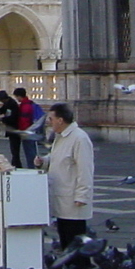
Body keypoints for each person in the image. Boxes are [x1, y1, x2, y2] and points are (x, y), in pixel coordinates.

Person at [38, 102, 94, 248]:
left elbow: (85, 168)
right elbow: (57, 158)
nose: (49, 122)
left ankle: (80, 268)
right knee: (65, 237)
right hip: (61, 196)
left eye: (51, 119)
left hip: (72, 198)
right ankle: (71, 267)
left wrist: (82, 195)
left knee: (74, 238)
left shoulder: (79, 138)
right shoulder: (61, 136)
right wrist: (43, 162)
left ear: (60, 120)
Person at [10, 87, 41, 168]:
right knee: (32, 151)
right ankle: (33, 166)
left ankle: (32, 168)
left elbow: (24, 120)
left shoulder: (24, 106)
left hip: (27, 132)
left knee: (29, 153)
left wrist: (22, 131)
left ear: (19, 96)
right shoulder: (30, 104)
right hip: (31, 131)